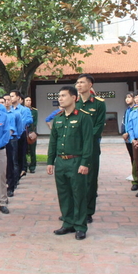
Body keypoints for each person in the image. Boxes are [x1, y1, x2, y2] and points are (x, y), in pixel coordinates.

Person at [47, 86, 93, 240]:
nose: (60, 98)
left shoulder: (83, 117)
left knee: (78, 194)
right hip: (61, 162)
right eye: (59, 96)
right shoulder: (58, 118)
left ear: (74, 98)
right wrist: (50, 161)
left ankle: (80, 226)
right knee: (64, 194)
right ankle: (68, 223)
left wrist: (85, 163)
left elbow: (88, 142)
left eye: (63, 96)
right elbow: (53, 141)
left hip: (76, 161)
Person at [75, 74, 106, 224]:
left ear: (90, 85)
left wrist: (85, 139)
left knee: (90, 180)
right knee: (75, 180)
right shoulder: (74, 102)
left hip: (91, 147)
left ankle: (88, 211)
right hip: (74, 147)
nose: (79, 85)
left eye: (82, 82)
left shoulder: (99, 104)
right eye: (77, 82)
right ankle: (75, 210)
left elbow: (99, 126)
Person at [10, 90, 33, 178]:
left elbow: (26, 121)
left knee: (20, 153)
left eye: (12, 96)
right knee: (13, 155)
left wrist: (17, 127)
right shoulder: (9, 109)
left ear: (18, 97)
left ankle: (21, 170)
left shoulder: (24, 109)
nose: (11, 98)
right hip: (11, 134)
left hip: (20, 133)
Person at [122, 92, 138, 191]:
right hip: (127, 137)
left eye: (129, 97)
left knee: (137, 159)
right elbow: (124, 122)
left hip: (134, 137)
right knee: (132, 157)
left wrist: (129, 133)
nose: (127, 99)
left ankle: (137, 179)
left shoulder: (135, 109)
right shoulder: (127, 110)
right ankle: (134, 175)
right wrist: (124, 132)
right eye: (126, 97)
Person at [24, 96, 39, 173]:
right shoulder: (22, 110)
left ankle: (32, 167)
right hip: (24, 132)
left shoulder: (34, 111)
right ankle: (24, 166)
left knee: (32, 150)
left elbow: (35, 122)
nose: (28, 102)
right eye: (27, 100)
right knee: (24, 151)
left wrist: (32, 132)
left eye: (29, 100)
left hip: (31, 132)